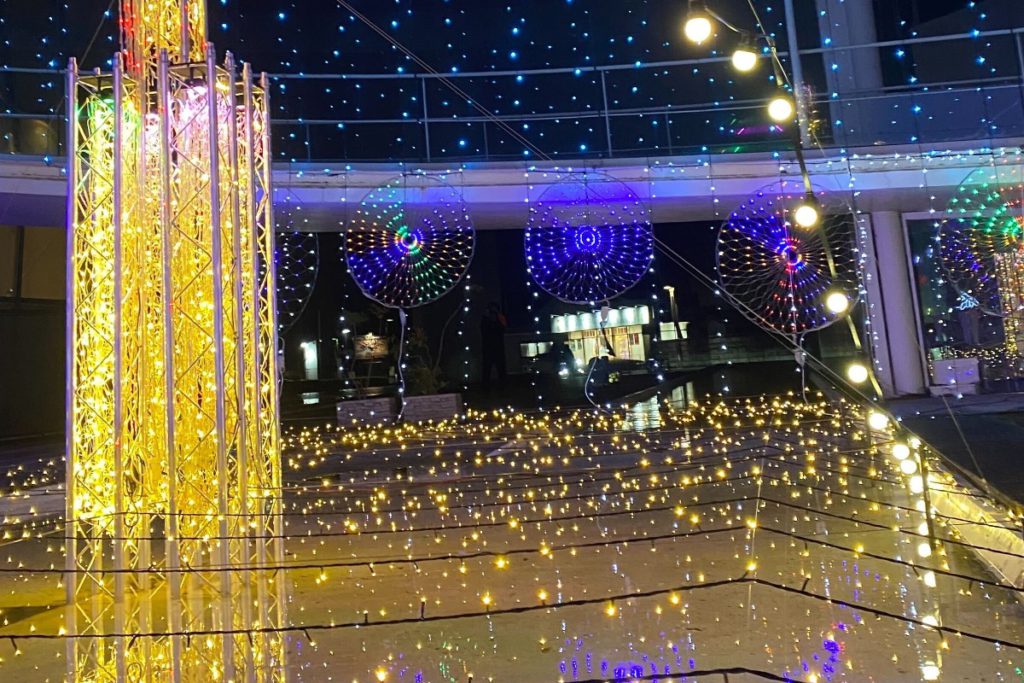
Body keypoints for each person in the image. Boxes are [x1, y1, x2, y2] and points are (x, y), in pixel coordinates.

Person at [480, 302, 508, 389]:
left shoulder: (499, 318)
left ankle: (503, 387)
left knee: (500, 369)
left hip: (498, 347)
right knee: (487, 369)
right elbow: (484, 331)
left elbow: (504, 328)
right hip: (489, 347)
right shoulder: (485, 320)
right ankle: (486, 388)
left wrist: (498, 317)